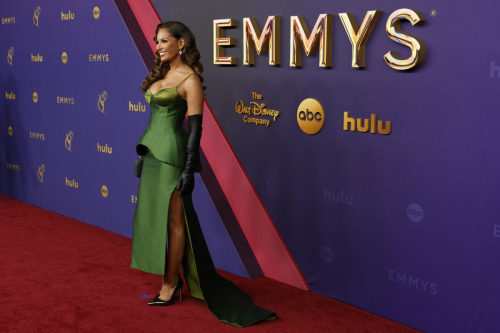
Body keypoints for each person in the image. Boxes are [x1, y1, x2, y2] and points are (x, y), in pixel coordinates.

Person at [130, 21, 276, 327]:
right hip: (153, 156)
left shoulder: (190, 79)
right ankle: (172, 281)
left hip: (173, 157)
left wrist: (189, 169)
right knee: (155, 220)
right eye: (156, 41)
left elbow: (196, 130)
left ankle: (170, 286)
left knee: (175, 222)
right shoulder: (162, 74)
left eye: (164, 41)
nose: (157, 46)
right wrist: (145, 155)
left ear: (181, 43)